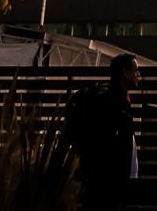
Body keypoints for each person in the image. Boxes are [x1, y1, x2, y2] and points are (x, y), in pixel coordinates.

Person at [65, 53, 141, 210]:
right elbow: (102, 139)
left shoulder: (119, 98)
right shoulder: (108, 99)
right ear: (124, 72)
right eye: (135, 70)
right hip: (106, 183)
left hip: (112, 182)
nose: (138, 75)